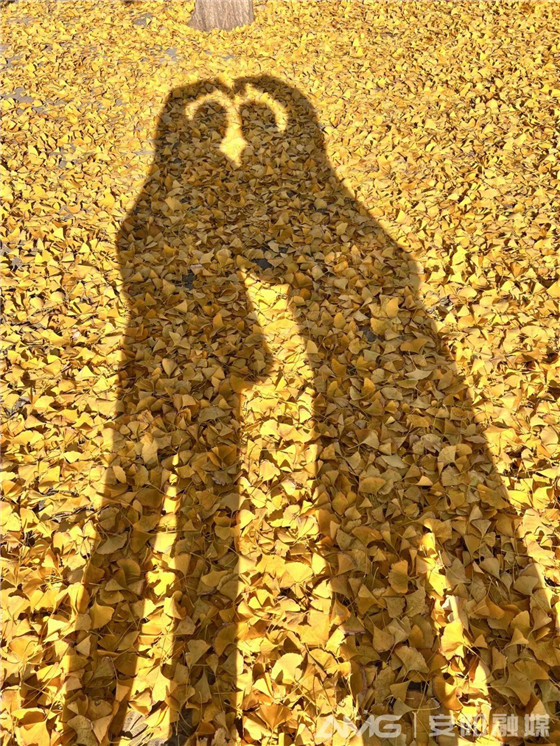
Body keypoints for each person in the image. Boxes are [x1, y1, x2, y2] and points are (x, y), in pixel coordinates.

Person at [66, 76, 557, 745]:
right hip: (307, 380)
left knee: (161, 523)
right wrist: (267, 98)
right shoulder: (298, 177)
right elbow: (281, 202)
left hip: (171, 383)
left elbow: (238, 241)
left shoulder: (175, 195)